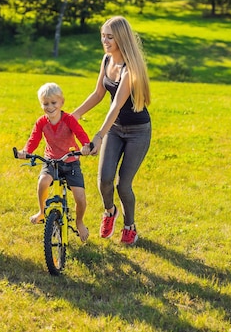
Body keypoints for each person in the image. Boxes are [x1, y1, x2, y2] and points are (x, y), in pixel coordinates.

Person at [71, 16, 152, 246]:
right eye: (103, 36)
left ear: (121, 38)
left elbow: (116, 105)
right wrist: (74, 115)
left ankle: (130, 226)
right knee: (104, 180)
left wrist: (98, 136)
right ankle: (109, 212)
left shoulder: (130, 69)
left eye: (110, 37)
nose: (105, 41)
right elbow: (98, 94)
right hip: (116, 129)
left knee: (123, 184)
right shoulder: (106, 60)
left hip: (138, 131)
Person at [16, 82, 93, 242]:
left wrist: (86, 146)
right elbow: (34, 139)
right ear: (41, 104)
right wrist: (26, 152)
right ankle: (42, 212)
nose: (50, 107)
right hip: (51, 161)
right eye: (45, 104)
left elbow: (80, 133)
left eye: (53, 103)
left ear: (61, 102)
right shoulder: (41, 122)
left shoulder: (69, 119)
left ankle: (79, 222)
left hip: (71, 161)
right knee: (42, 182)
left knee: (80, 197)